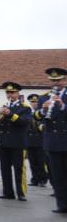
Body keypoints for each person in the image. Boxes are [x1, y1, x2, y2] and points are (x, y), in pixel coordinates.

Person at [0, 81, 30, 201]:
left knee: (19, 169)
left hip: (17, 142)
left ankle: (21, 193)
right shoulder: (4, 106)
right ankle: (7, 192)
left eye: (12, 92)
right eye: (8, 92)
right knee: (5, 169)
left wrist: (10, 114)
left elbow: (24, 122)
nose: (10, 95)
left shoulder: (25, 108)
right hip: (3, 142)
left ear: (18, 93)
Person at [37, 67, 67, 213]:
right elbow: (36, 116)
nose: (56, 83)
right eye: (53, 81)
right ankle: (61, 204)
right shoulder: (44, 97)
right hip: (52, 141)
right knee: (57, 175)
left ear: (64, 80)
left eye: (58, 80)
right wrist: (43, 110)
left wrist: (62, 106)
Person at [25, 94, 49, 187]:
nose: (34, 104)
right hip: (30, 141)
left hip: (40, 140)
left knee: (41, 162)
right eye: (32, 102)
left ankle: (43, 179)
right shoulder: (28, 113)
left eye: (36, 102)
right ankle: (35, 179)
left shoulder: (42, 113)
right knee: (32, 162)